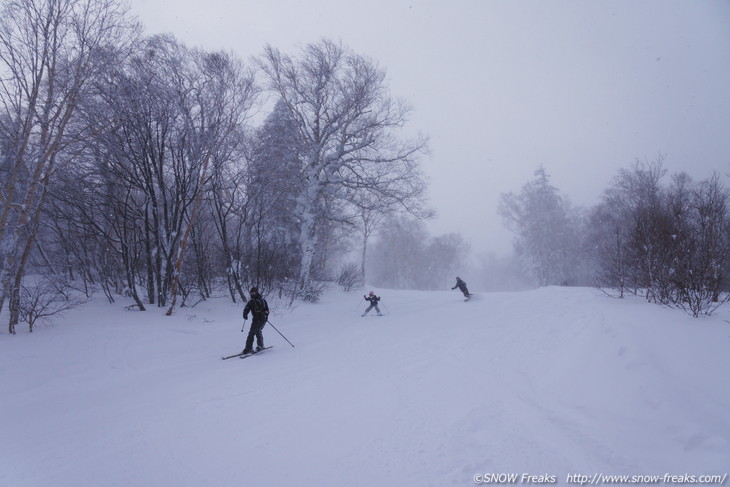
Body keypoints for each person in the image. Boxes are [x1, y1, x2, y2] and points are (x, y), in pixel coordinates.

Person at [241, 287, 269, 355]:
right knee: (255, 332)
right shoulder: (251, 301)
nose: (252, 294)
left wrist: (265, 315)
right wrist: (245, 314)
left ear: (256, 293)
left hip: (262, 320)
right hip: (255, 320)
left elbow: (267, 310)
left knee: (253, 332)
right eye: (251, 293)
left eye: (254, 293)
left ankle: (251, 348)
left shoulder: (262, 300)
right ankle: (256, 346)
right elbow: (247, 308)